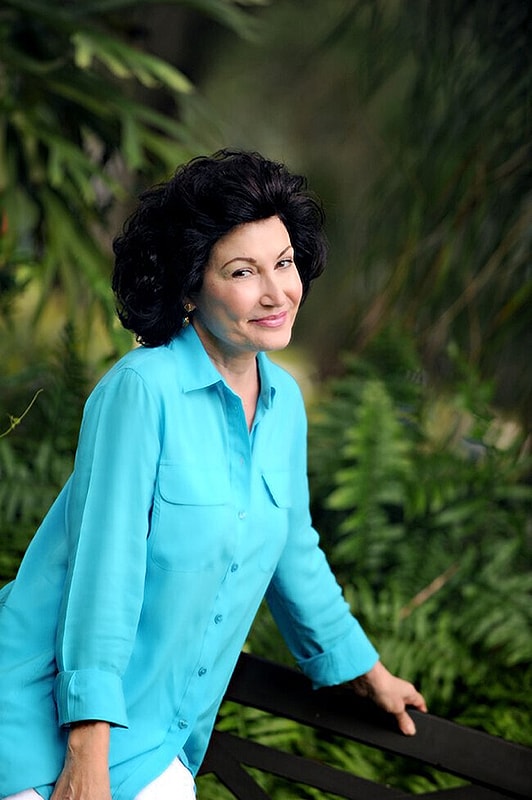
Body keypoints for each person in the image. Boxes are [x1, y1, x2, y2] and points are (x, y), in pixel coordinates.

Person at [0, 149, 427, 800]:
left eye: (283, 263)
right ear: (188, 287)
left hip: (157, 734)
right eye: (242, 271)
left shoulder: (282, 406)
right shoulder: (141, 391)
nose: (276, 292)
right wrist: (86, 749)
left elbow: (294, 550)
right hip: (40, 725)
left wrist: (364, 670)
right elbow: (104, 571)